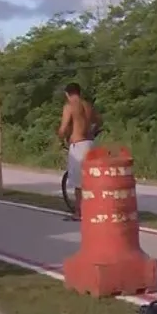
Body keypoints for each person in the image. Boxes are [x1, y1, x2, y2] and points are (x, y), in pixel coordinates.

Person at [58, 82, 101, 220]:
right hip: (90, 143)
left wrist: (61, 137)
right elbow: (99, 120)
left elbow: (63, 128)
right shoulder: (87, 105)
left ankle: (79, 212)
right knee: (90, 179)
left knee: (78, 182)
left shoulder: (69, 106)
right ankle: (92, 208)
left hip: (78, 145)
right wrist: (92, 131)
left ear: (67, 94)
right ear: (79, 92)